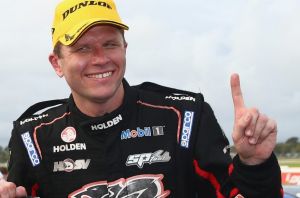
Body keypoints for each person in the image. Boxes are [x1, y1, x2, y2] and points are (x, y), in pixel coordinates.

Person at [0, 0, 282, 197]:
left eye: (110, 43)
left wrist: (256, 164)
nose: (100, 59)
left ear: (125, 48)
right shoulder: (33, 136)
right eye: (83, 48)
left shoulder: (184, 117)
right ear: (57, 63)